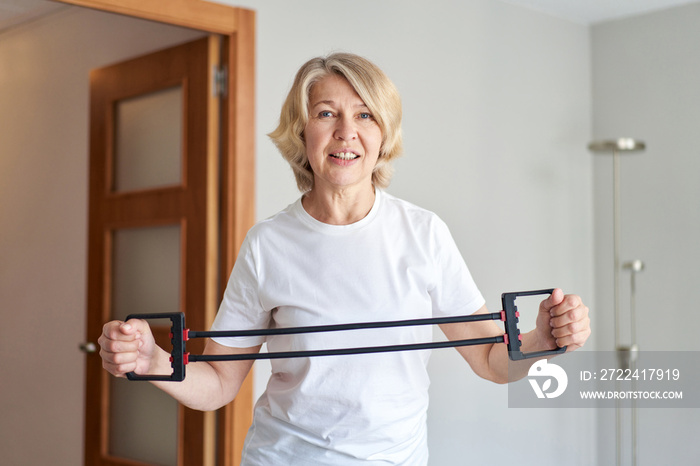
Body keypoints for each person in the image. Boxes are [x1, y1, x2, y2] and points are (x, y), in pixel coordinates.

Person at [99, 52, 591, 465]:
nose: (345, 132)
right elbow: (221, 384)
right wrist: (154, 361)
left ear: (383, 135)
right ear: (302, 130)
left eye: (364, 115)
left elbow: (489, 360)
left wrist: (540, 340)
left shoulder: (423, 234)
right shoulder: (267, 243)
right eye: (326, 113)